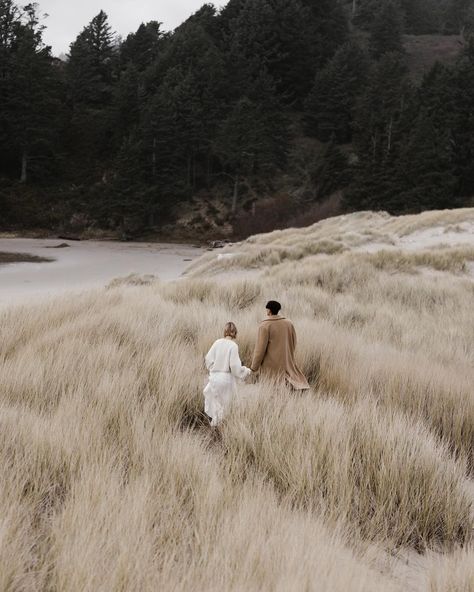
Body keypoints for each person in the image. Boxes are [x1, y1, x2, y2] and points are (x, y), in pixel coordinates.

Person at [251, 300, 309, 390]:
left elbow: (260, 349)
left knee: (271, 391)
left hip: (270, 368)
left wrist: (254, 367)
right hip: (287, 362)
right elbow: (294, 342)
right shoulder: (288, 323)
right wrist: (289, 355)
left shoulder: (265, 325)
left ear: (269, 311)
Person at [204, 322, 251, 426]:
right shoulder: (233, 346)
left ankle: (213, 428)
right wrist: (245, 370)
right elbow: (235, 367)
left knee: (216, 405)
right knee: (226, 407)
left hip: (214, 378)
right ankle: (219, 430)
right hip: (226, 379)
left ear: (225, 331)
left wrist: (213, 369)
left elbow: (208, 359)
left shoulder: (217, 342)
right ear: (235, 332)